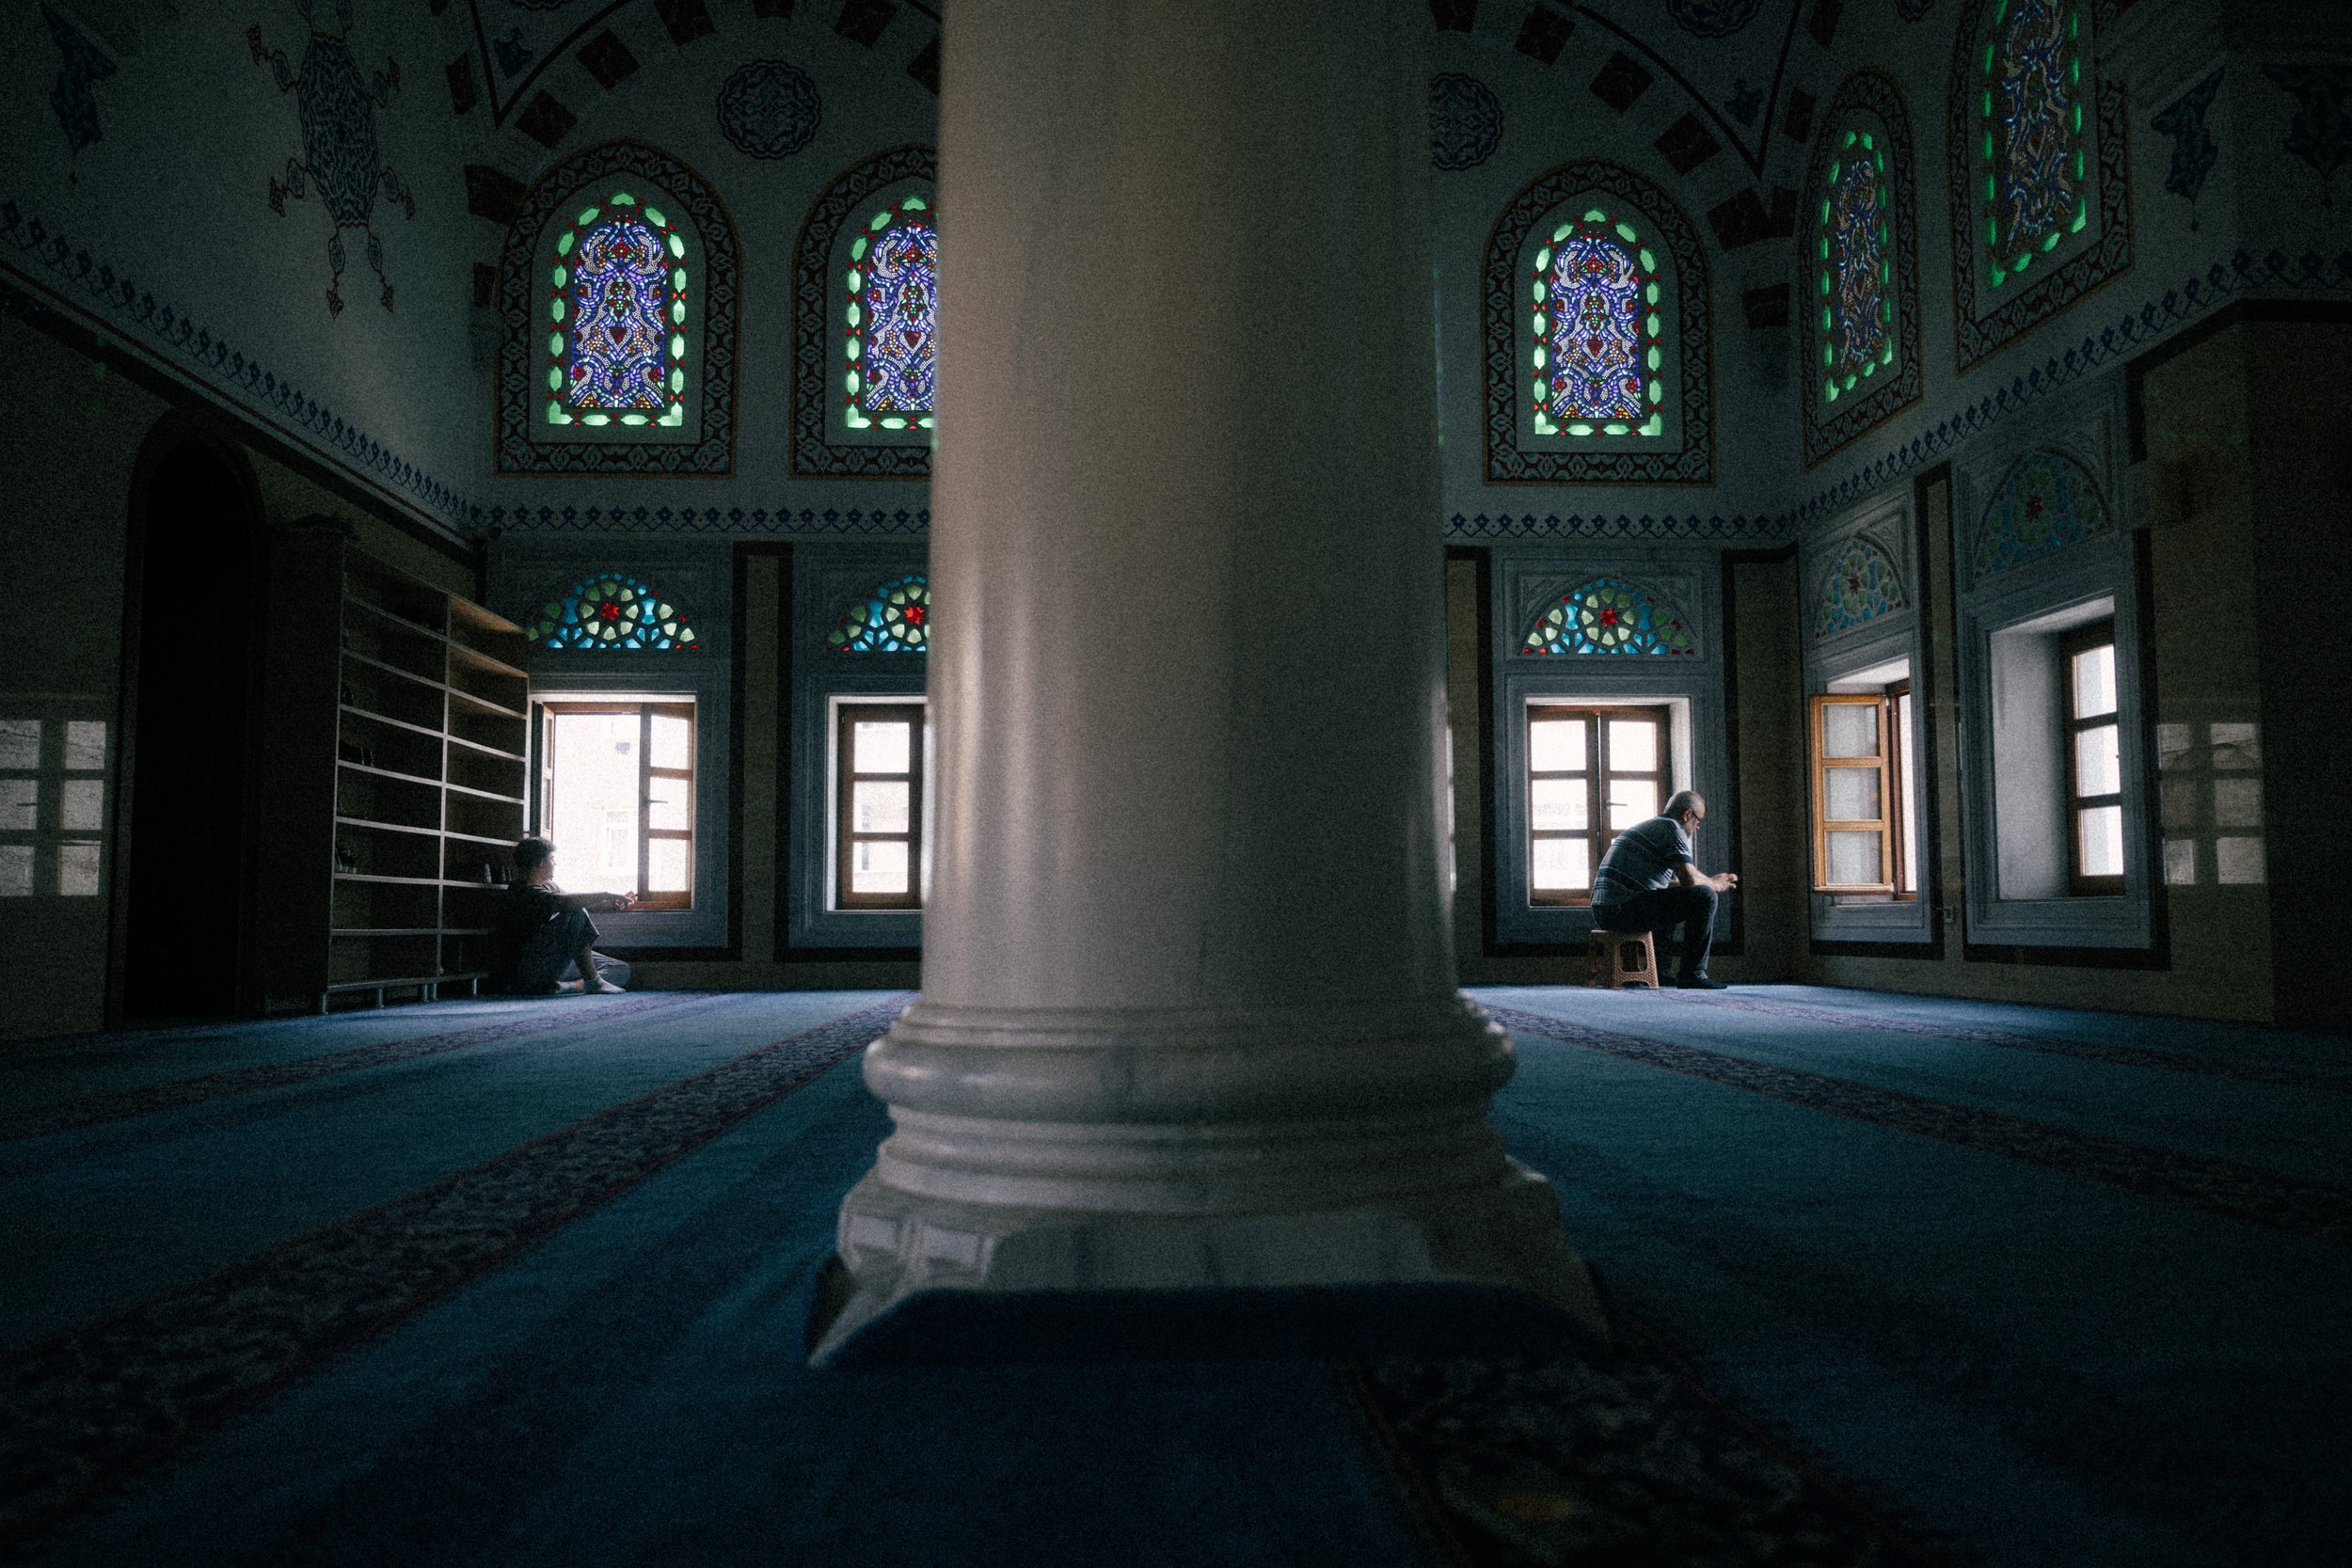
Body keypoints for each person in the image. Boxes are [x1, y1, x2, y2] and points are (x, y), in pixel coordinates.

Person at [1590, 790, 1738, 990]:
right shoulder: (1671, 828)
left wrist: (1707, 881)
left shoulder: (1654, 827)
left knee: (1675, 899)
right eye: (1698, 820)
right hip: (1620, 909)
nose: (1698, 826)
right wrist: (1715, 884)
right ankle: (1692, 974)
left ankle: (1660, 973)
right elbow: (1690, 880)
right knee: (1705, 896)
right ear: (1687, 814)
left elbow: (1672, 886)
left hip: (1607, 909)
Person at [489, 837, 635, 996]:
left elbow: (574, 901)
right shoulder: (522, 891)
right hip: (531, 967)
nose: (555, 864)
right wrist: (605, 894)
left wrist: (610, 903)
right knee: (576, 913)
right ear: (541, 863)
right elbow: (563, 902)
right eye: (552, 859)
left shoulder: (549, 885)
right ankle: (593, 982)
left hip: (555, 961)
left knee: (621, 969)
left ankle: (568, 986)